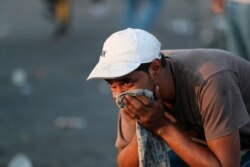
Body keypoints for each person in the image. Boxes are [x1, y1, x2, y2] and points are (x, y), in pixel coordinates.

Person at [87, 28, 250, 166]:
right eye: (112, 86)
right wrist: (145, 125)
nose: (118, 95)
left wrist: (161, 126)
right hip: (211, 148)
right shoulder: (131, 90)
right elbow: (126, 163)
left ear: (155, 68)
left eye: (126, 83)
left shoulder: (208, 79)